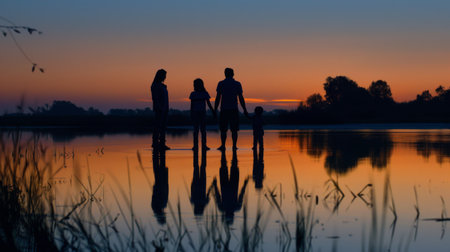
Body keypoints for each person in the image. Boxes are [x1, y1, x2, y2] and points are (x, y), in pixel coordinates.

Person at [214, 68, 248, 150]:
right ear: (233, 74)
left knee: (223, 129)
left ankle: (223, 146)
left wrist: (215, 109)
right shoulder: (237, 84)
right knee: (234, 130)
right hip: (233, 109)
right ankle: (234, 146)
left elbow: (218, 97)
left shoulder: (221, 83)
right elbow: (241, 98)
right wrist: (244, 109)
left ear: (225, 74)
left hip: (224, 109)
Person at [189, 78, 215, 150]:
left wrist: (213, 111)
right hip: (196, 113)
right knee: (196, 130)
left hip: (202, 113)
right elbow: (192, 105)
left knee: (202, 130)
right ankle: (196, 145)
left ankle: (203, 145)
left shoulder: (204, 93)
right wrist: (191, 114)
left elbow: (208, 104)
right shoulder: (193, 94)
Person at [151, 69, 170, 150]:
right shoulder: (155, 85)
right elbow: (155, 98)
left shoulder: (163, 86)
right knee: (158, 126)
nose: (165, 77)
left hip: (165, 108)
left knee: (163, 127)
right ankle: (155, 143)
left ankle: (162, 143)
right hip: (159, 109)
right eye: (164, 75)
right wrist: (159, 107)